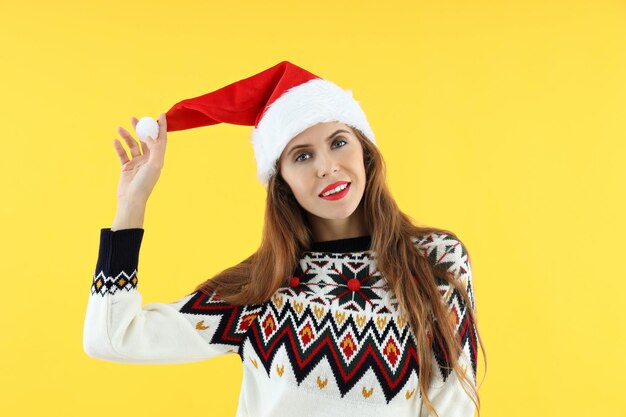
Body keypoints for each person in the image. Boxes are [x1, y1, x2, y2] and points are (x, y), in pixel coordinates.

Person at [83, 61, 486, 417]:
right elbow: (113, 338)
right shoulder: (262, 287)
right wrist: (131, 202)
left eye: (339, 142)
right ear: (283, 183)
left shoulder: (435, 260)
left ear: (365, 152)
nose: (327, 167)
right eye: (302, 156)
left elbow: (453, 402)